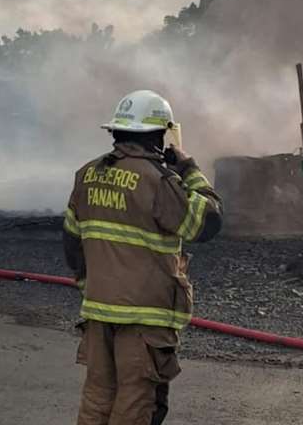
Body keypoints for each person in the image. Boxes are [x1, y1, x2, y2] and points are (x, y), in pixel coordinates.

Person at [63, 90, 222, 425]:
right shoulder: (158, 181)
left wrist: (92, 287)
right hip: (145, 320)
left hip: (98, 312)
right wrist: (190, 168)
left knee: (97, 401)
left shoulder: (86, 175)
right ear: (158, 137)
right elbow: (208, 221)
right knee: (135, 405)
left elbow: (72, 245)